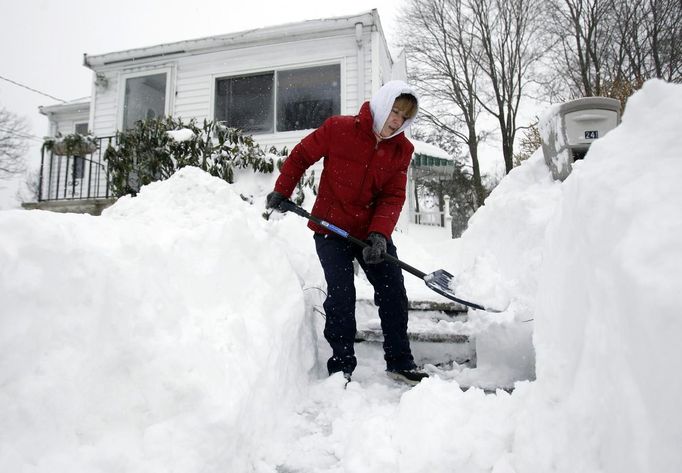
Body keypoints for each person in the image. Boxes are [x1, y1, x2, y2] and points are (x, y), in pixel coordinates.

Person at [266, 80, 428, 385]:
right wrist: (282, 191)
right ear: (382, 104)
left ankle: (399, 361)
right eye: (395, 111)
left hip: (369, 232)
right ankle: (341, 364)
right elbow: (302, 155)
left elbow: (393, 196)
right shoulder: (339, 129)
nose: (397, 121)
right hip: (330, 226)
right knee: (341, 293)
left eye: (405, 117)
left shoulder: (402, 149)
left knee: (393, 288)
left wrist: (379, 235)